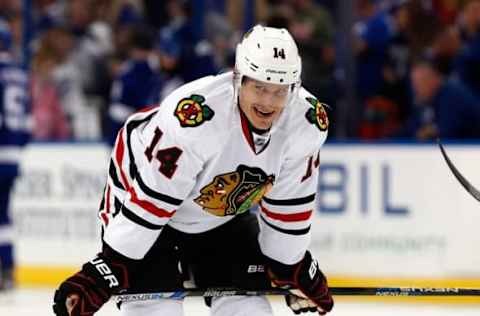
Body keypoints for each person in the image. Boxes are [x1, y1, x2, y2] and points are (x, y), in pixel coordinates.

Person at [52, 25, 333, 316]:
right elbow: (152, 202)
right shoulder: (196, 119)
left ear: (293, 88)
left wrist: (291, 266)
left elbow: (289, 208)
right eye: (259, 87)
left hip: (219, 216)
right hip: (143, 199)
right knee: (157, 310)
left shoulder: (306, 123)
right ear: (239, 79)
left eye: (279, 92)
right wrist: (110, 267)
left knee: (249, 309)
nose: (268, 102)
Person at [0, 19, 31, 290]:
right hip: (12, 155)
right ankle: (7, 269)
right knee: (3, 214)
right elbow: (27, 123)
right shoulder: (19, 73)